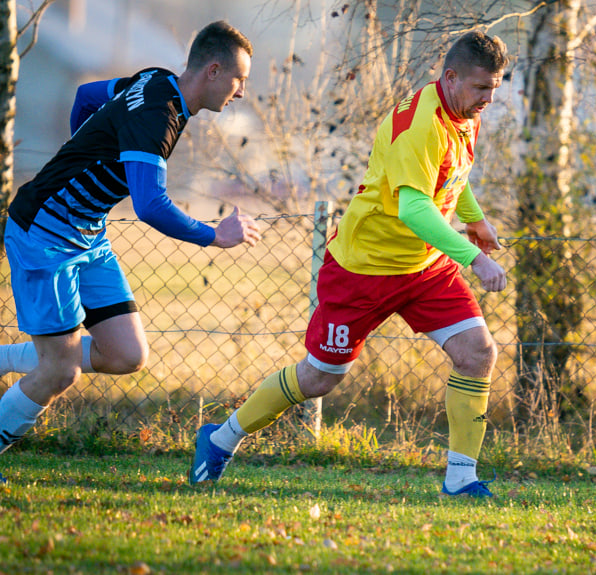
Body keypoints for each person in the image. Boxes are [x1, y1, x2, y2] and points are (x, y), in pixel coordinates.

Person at [189, 31, 509, 497]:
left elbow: (452, 174)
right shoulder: (421, 123)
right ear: (452, 76)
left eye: (495, 88)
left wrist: (474, 220)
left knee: (478, 352)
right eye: (482, 88)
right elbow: (413, 208)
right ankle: (220, 439)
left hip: (425, 267)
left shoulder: (462, 112)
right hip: (364, 269)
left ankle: (461, 480)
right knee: (319, 378)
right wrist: (474, 257)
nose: (489, 99)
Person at [0, 21, 261, 471]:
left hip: (86, 233)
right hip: (44, 232)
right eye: (240, 80)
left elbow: (86, 95)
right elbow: (151, 205)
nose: (241, 92)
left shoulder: (155, 78)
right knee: (60, 371)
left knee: (126, 355)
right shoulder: (157, 118)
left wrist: (83, 149)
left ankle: (6, 358)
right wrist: (215, 235)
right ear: (214, 71)